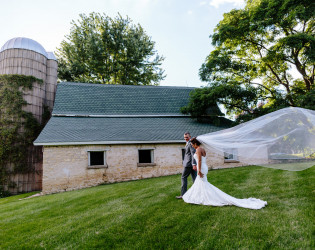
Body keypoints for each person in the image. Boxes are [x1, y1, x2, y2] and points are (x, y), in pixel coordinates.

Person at [182, 137, 267, 209]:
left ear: (195, 143)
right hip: (204, 167)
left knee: (203, 183)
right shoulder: (202, 149)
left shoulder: (198, 149)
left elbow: (199, 160)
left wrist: (199, 170)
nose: (192, 146)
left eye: (192, 144)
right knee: (201, 183)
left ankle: (208, 198)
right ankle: (200, 197)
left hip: (202, 168)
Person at [176, 132, 197, 199]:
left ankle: (183, 194)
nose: (185, 138)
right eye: (185, 137)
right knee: (195, 179)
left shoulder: (190, 144)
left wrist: (194, 164)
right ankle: (197, 193)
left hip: (188, 165)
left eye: (187, 137)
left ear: (190, 136)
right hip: (191, 164)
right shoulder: (188, 143)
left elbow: (193, 154)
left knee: (183, 177)